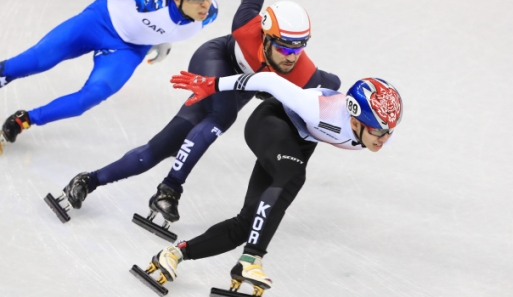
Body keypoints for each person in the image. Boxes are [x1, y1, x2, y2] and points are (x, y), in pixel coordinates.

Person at [56, 0, 340, 229]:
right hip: (213, 61)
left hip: (235, 87)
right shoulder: (246, 26)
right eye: (284, 48)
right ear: (265, 37)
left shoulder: (302, 72)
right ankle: (170, 188)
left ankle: (88, 180)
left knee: (160, 148)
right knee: (223, 115)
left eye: (298, 49)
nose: (291, 57)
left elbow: (331, 84)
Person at [132, 70, 403, 296]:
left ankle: (174, 254)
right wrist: (212, 84)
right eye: (378, 131)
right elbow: (267, 81)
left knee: (246, 224)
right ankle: (251, 259)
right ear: (355, 120)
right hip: (272, 122)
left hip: (299, 142)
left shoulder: (371, 130)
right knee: (293, 176)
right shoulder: (322, 110)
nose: (384, 138)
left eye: (389, 131)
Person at [0, 0, 218, 154]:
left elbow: (173, 23)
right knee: (35, 61)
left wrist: (162, 39)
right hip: (99, 21)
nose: (205, 5)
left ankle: (25, 119)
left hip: (128, 49)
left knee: (90, 97)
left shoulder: (210, 14)